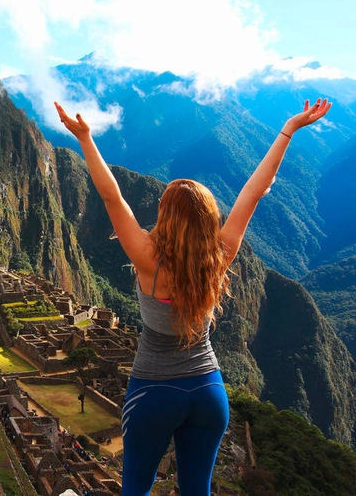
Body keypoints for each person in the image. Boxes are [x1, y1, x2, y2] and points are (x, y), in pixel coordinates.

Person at [54, 98, 331, 495]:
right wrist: (288, 129)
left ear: (164, 213)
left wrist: (85, 139)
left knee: (136, 489)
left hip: (153, 390)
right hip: (207, 392)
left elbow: (112, 196)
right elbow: (255, 191)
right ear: (209, 217)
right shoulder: (220, 255)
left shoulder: (147, 258)